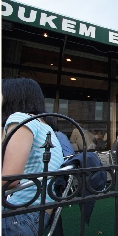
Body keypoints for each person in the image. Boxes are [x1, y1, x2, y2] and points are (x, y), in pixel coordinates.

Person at [2, 78, 64, 236]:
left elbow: (9, 179)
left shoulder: (20, 119)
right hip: (39, 215)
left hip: (18, 215)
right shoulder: (46, 127)